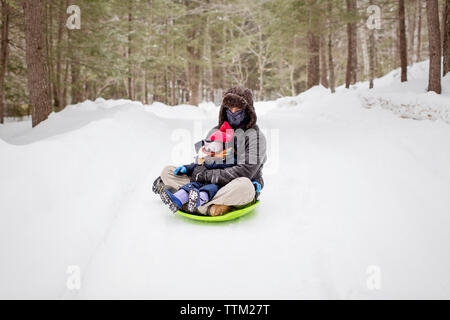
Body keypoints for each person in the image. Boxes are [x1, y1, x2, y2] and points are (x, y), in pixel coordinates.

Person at [153, 86, 267, 216]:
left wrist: (205, 175)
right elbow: (204, 159)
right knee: (168, 171)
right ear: (224, 110)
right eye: (229, 109)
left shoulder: (255, 136)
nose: (233, 112)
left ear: (248, 111)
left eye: (238, 109)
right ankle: (206, 203)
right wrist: (190, 169)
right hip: (205, 183)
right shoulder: (216, 132)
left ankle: (188, 201)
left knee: (245, 187)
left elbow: (245, 171)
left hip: (233, 185)